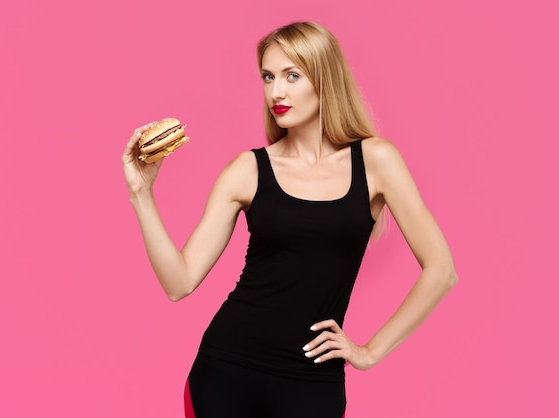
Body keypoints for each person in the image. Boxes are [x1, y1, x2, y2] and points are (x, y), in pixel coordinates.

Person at [122, 21, 457, 418]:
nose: (276, 92)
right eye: (268, 77)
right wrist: (141, 193)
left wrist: (370, 352)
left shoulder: (376, 161)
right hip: (226, 370)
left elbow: (442, 270)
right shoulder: (247, 170)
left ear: (324, 78)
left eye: (291, 76)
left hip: (312, 382)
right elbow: (179, 283)